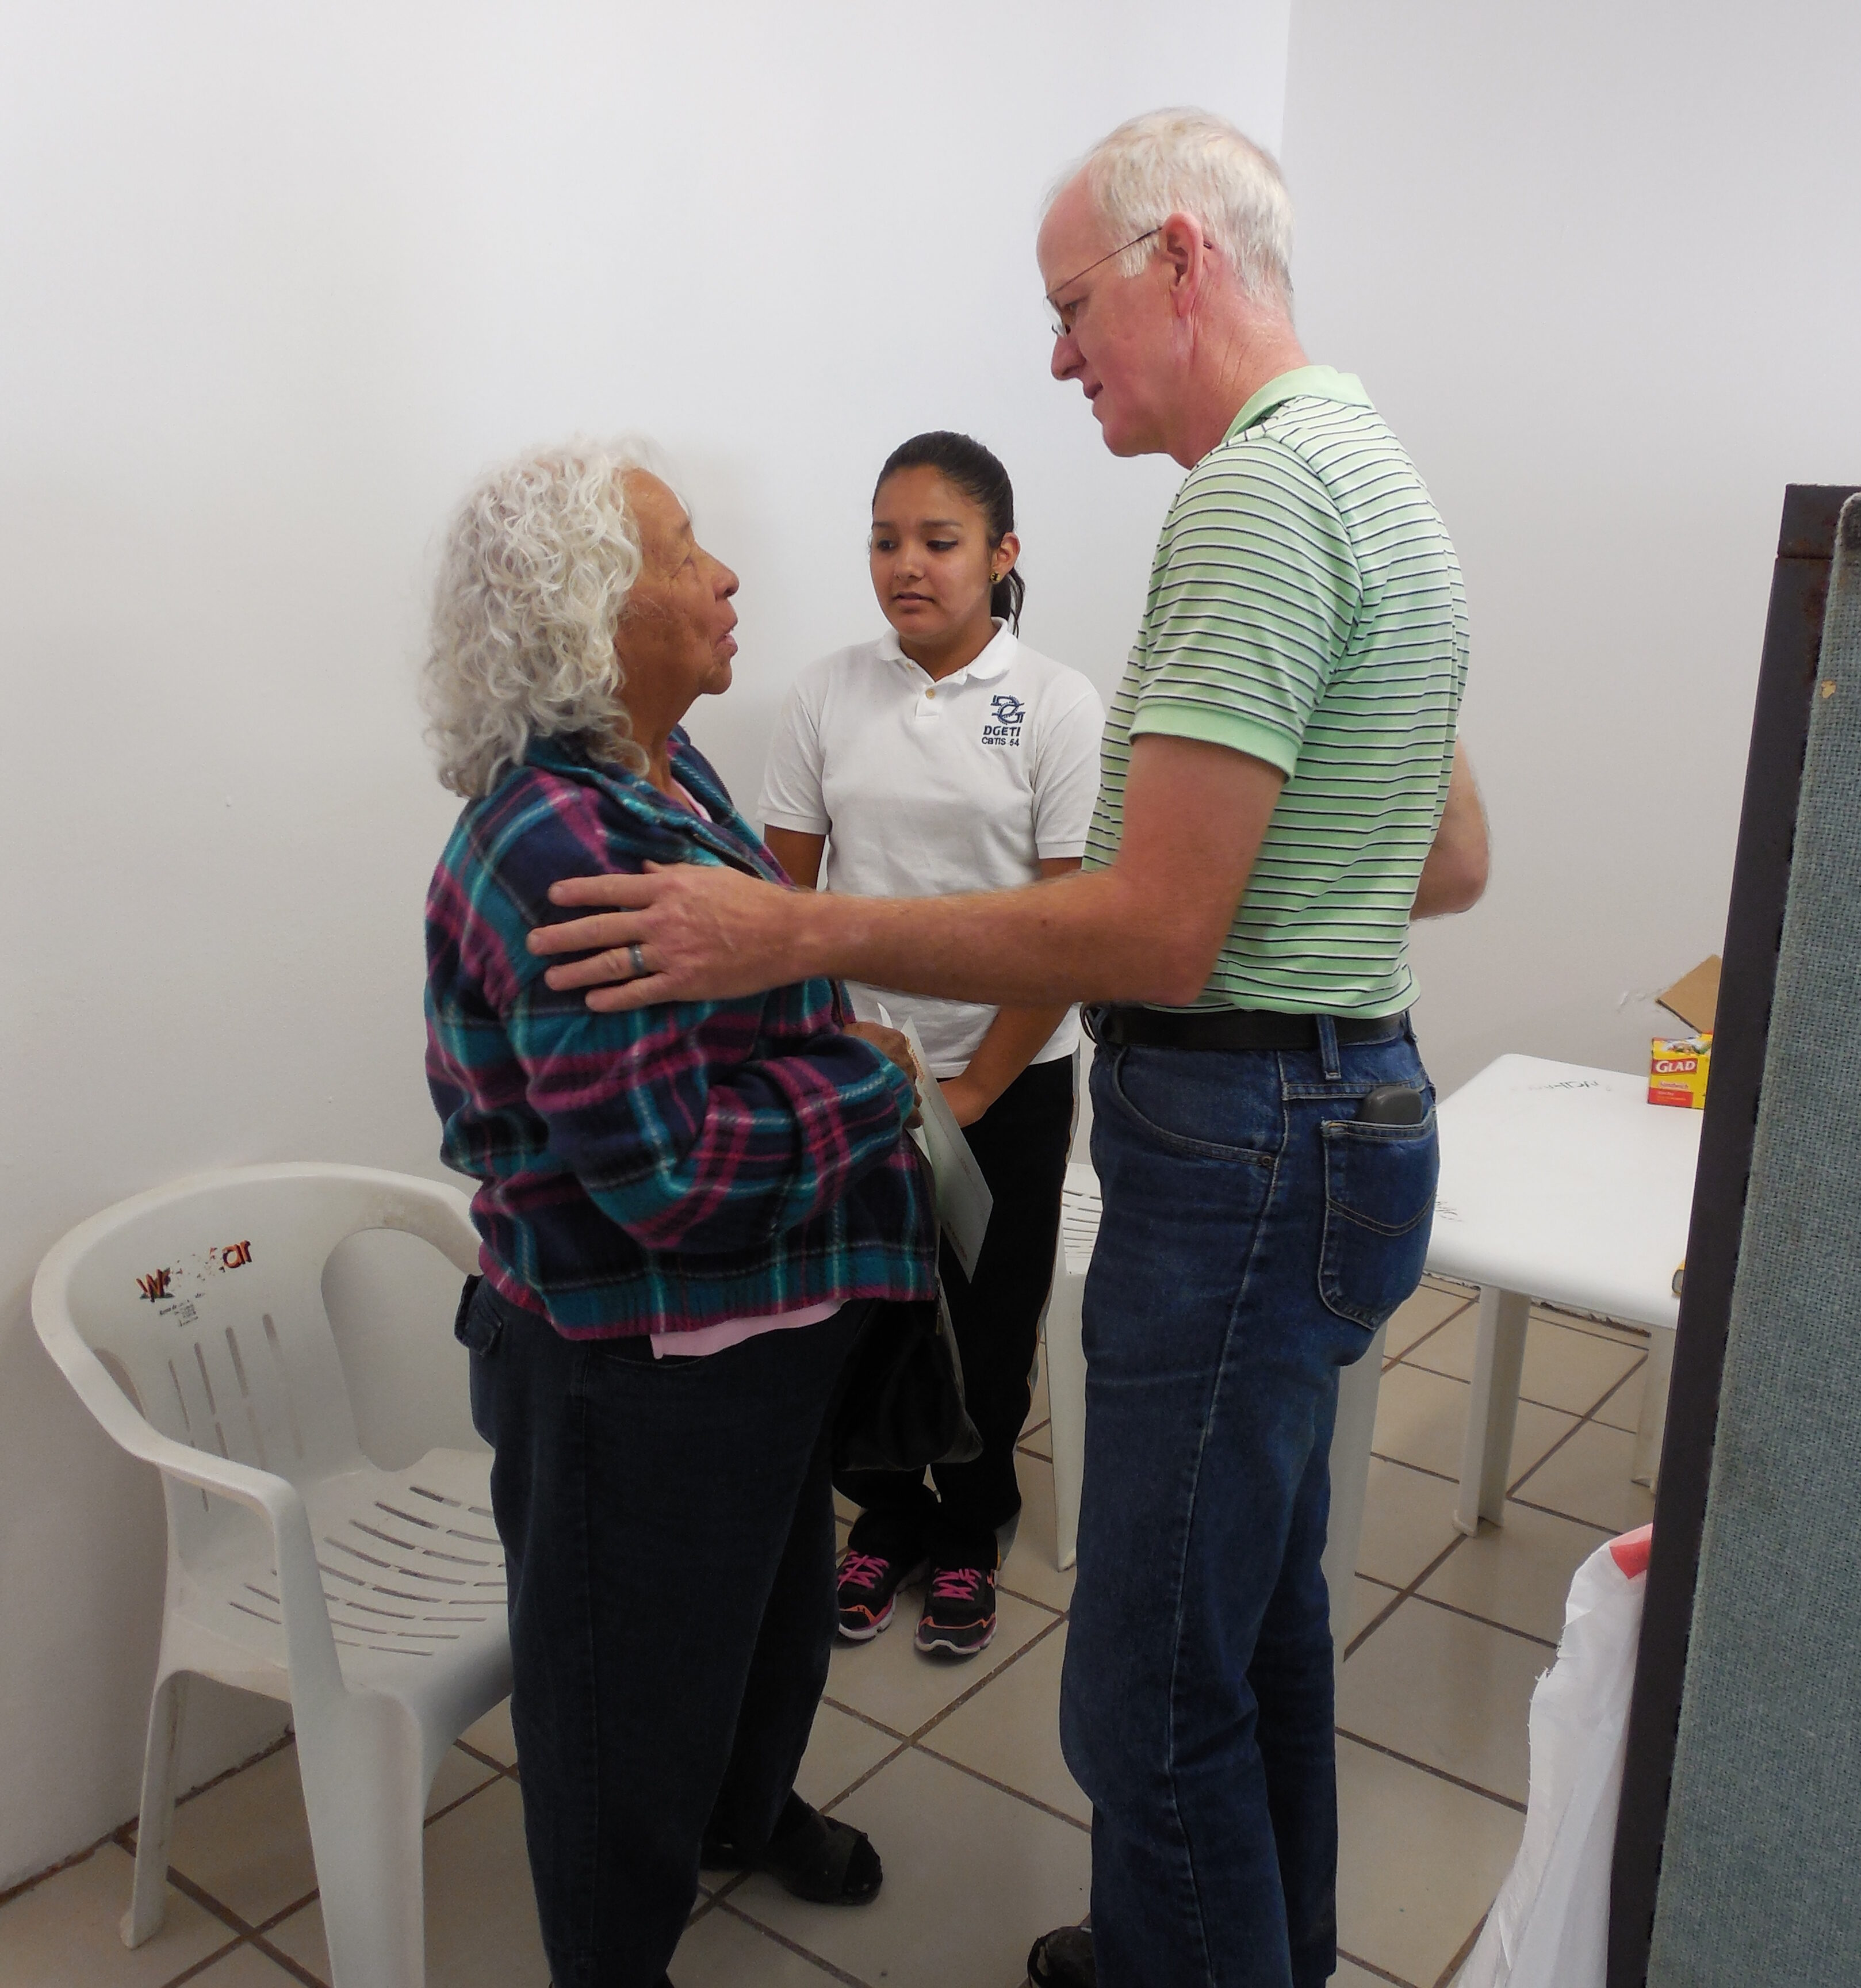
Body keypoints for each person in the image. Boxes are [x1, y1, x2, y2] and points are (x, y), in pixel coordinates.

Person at [527, 107, 1490, 1988]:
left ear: (1182, 261)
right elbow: (1441, 859)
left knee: (1136, 1689)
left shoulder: (1254, 500)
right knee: (1255, 1625)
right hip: (1348, 1099)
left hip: (1244, 1131)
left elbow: (1149, 924)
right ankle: (1233, 1948)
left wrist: (798, 933)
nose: (1059, 356)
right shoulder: (1377, 477)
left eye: (1072, 308)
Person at [420, 442, 936, 1988]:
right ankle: (616, 1953)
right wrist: (878, 1084)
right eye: (685, 549)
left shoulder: (664, 771)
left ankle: (743, 1809)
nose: (726, 576)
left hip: (758, 1337)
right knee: (618, 1713)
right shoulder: (566, 845)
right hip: (641, 1363)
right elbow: (670, 1179)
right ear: (587, 616)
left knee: (770, 1626)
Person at [759, 430, 1104, 1660]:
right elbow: (785, 906)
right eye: (885, 540)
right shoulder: (826, 694)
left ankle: (972, 1527)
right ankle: (889, 1517)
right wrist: (850, 1048)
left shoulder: (1058, 705)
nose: (907, 565)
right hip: (863, 1072)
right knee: (865, 1306)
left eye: (939, 542)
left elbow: (1068, 929)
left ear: (1003, 555)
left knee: (988, 1315)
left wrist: (975, 1085)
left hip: (1011, 1073)